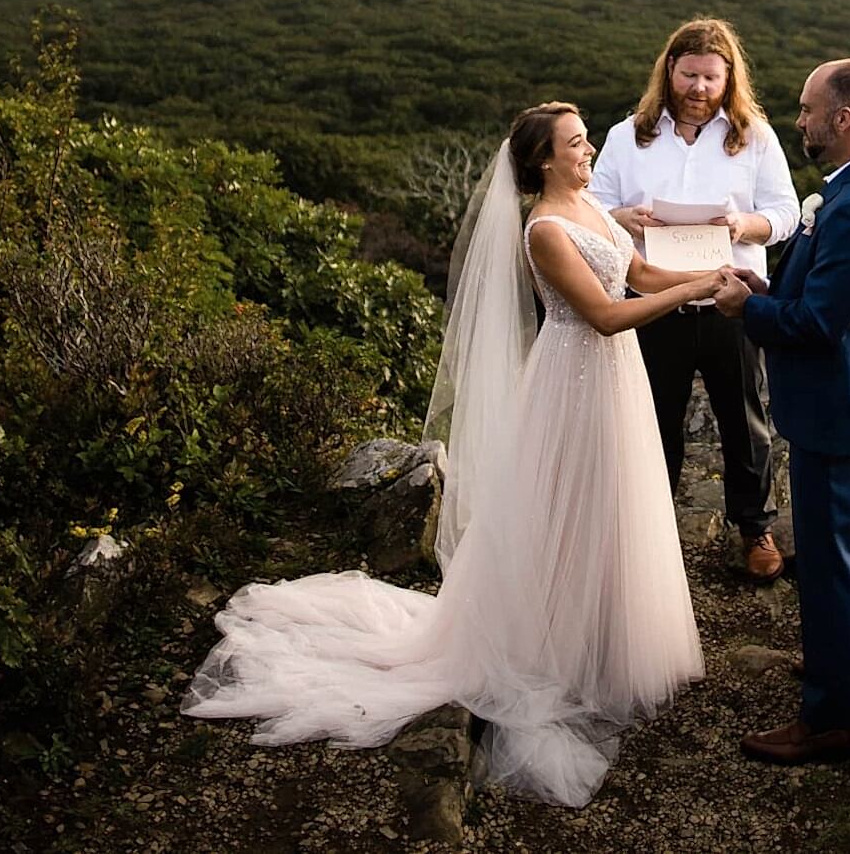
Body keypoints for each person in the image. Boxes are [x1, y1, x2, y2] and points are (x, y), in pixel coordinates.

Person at [182, 102, 737, 806]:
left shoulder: (592, 204)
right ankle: (550, 649)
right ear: (542, 159)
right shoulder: (544, 229)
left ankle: (603, 640)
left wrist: (708, 271)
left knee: (613, 505)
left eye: (585, 138)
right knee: (562, 511)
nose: (590, 147)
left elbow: (640, 276)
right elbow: (603, 314)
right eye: (576, 141)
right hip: (573, 382)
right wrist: (699, 291)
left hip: (615, 381)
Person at [716, 59, 850, 766]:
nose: (795, 120)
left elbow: (820, 323)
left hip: (840, 405)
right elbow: (830, 288)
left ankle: (829, 717)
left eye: (805, 109)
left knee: (832, 560)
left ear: (842, 117)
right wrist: (765, 280)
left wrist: (750, 309)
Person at [589, 17, 801, 580]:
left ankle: (755, 531)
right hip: (653, 301)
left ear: (729, 77)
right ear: (669, 72)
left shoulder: (754, 137)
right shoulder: (626, 135)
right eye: (689, 75)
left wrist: (742, 223)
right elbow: (589, 204)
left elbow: (786, 213)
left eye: (711, 77)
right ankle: (647, 534)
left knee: (745, 418)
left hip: (731, 300)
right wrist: (622, 216)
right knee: (653, 417)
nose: (700, 88)